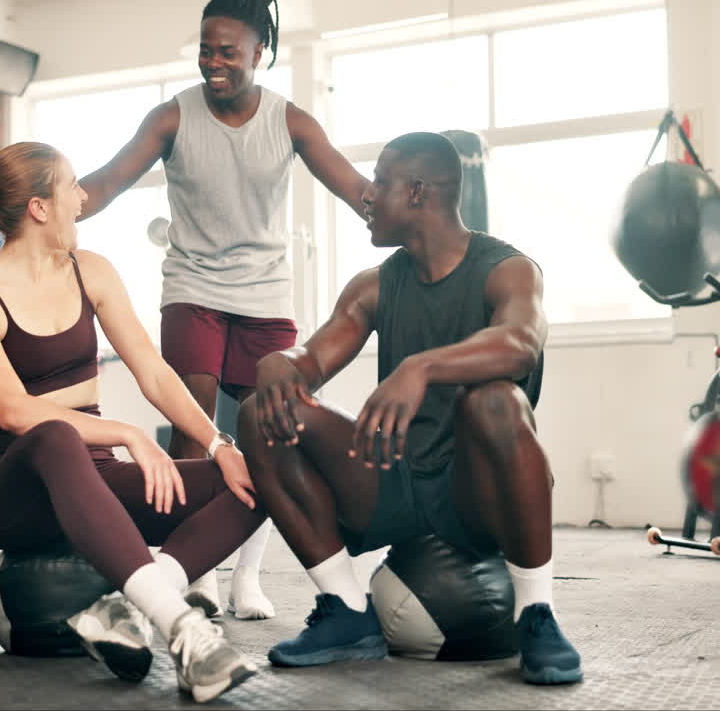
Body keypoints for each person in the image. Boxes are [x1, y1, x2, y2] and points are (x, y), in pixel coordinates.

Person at [0, 141, 266, 703]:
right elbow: (15, 412)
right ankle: (182, 630)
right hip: (20, 494)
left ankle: (129, 608)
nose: (82, 199)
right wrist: (130, 434)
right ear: (39, 208)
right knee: (52, 432)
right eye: (72, 187)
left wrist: (218, 442)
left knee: (257, 478)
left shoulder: (92, 271)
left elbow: (154, 373)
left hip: (97, 482)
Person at [237, 132, 583, 685]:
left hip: (474, 496)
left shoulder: (509, 269)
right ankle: (347, 610)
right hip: (393, 481)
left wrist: (420, 367)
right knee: (261, 411)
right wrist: (283, 361)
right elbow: (315, 358)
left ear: (417, 192)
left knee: (497, 401)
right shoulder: (374, 285)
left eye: (380, 182)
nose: (366, 196)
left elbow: (520, 342)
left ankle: (536, 615)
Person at [73, 0, 369, 620]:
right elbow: (107, 180)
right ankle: (192, 570)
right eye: (206, 50)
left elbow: (353, 186)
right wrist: (48, 205)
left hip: (264, 294)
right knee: (194, 423)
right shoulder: (172, 118)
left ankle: (247, 578)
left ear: (260, 53)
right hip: (193, 288)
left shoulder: (289, 121)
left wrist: (406, 210)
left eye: (228, 52)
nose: (214, 63)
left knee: (266, 427)